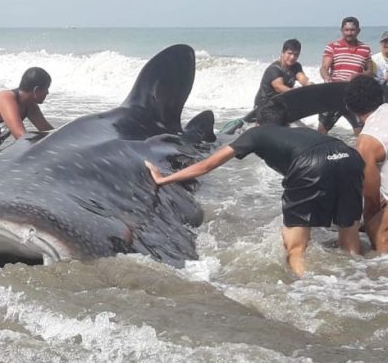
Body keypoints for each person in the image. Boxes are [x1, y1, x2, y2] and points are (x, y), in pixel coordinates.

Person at [145, 102, 364, 277]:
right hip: (348, 156)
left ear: (258, 123)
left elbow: (208, 165)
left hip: (311, 162)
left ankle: (307, 287)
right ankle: (358, 280)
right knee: (348, 230)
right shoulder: (302, 133)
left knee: (296, 248)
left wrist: (164, 179)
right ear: (286, 124)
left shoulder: (256, 133)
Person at [344, 75, 388, 252]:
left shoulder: (366, 141)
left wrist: (371, 227)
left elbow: (371, 200)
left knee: (378, 232)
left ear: (350, 108)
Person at [318, 16, 373, 135]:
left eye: (352, 30)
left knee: (361, 131)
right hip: (335, 93)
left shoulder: (365, 49)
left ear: (358, 31)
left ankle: (359, 148)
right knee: (322, 130)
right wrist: (327, 78)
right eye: (346, 30)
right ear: (342, 30)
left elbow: (370, 72)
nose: (349, 33)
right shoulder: (333, 47)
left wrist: (358, 75)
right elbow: (324, 68)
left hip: (355, 95)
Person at [253, 39, 312, 112]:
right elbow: (279, 87)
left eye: (296, 55)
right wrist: (297, 93)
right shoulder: (274, 69)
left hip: (279, 104)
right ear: (282, 53)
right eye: (289, 53)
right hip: (264, 106)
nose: (292, 57)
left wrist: (308, 84)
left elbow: (301, 78)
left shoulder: (296, 66)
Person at [371, 31, 388, 101]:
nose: (387, 44)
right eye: (385, 42)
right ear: (380, 43)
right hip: (379, 92)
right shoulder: (373, 59)